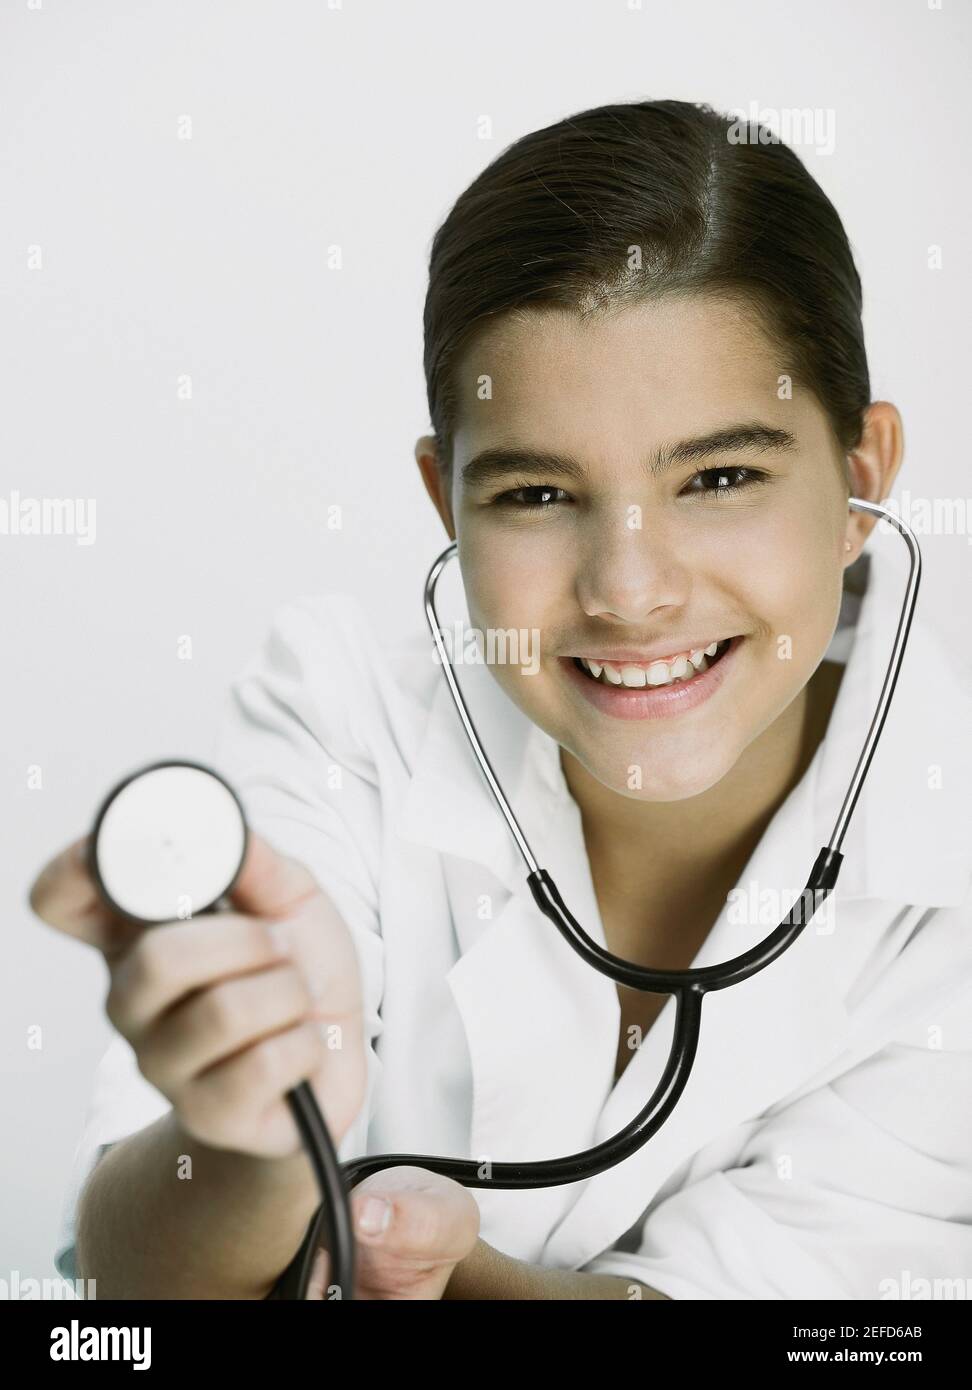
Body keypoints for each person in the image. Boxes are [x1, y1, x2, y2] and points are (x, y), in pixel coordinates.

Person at [33, 99, 972, 1300]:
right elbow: (135, 1283)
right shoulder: (341, 720)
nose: (630, 592)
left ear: (860, 479)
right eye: (536, 495)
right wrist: (257, 1132)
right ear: (446, 498)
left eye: (721, 476)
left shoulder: (945, 868)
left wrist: (454, 1271)